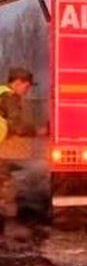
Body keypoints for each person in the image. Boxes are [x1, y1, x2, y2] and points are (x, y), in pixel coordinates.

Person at [0, 67, 40, 226]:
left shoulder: (1, 93)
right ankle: (9, 222)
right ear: (17, 82)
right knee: (5, 184)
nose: (28, 90)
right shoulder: (10, 97)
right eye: (27, 86)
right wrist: (37, 131)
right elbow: (17, 126)